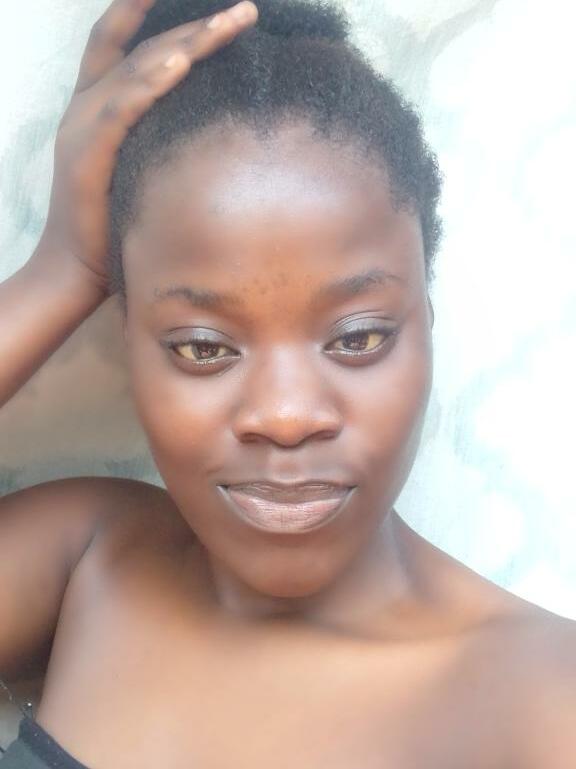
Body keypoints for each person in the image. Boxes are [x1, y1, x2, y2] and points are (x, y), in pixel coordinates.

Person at [0, 0, 574, 766]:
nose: (285, 414)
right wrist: (59, 272)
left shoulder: (545, 696)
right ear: (128, 341)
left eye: (359, 337)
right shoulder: (91, 557)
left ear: (427, 320)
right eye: (203, 347)